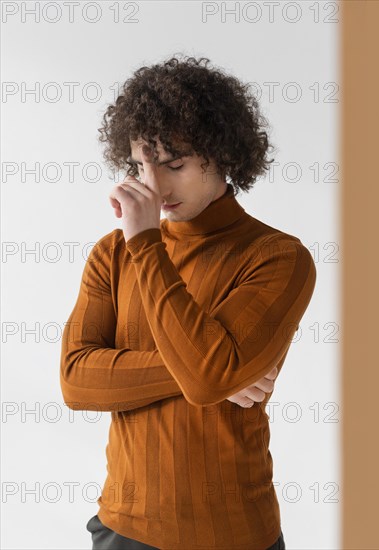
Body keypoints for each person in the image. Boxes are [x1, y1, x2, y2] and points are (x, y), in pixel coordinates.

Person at [60, 54, 316, 550]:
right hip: (123, 528)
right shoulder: (112, 254)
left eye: (174, 164)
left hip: (235, 534)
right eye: (140, 165)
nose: (154, 187)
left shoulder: (277, 258)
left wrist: (147, 243)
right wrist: (220, 372)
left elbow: (207, 378)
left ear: (222, 155)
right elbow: (75, 380)